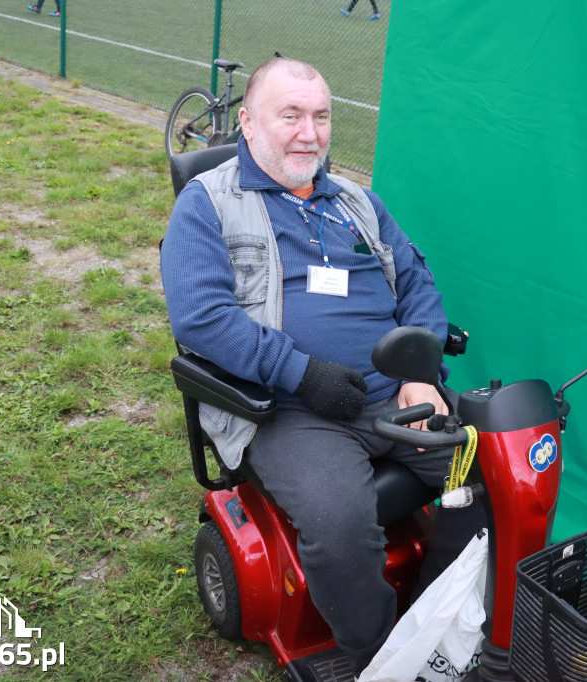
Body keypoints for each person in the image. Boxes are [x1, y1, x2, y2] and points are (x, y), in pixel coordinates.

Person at [161, 56, 482, 676]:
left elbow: (418, 285)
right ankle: (382, 660)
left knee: (490, 466)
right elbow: (201, 318)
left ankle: (433, 617)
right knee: (338, 524)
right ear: (248, 123)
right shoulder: (207, 206)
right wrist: (302, 374)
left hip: (399, 397)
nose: (309, 133)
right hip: (289, 409)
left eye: (321, 116)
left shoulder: (360, 202)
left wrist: (421, 368)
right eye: (291, 116)